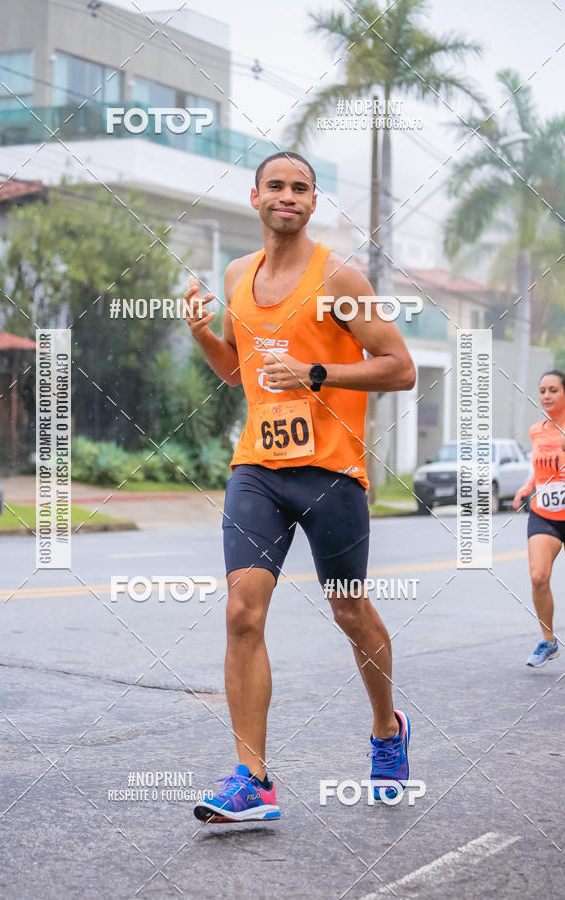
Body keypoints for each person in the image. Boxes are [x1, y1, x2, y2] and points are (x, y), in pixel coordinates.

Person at [184, 151, 416, 823]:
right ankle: (252, 779)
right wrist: (202, 330)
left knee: (348, 609)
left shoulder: (337, 277)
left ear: (313, 202)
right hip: (257, 465)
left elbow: (398, 367)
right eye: (276, 186)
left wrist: (317, 374)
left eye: (301, 188)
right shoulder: (236, 275)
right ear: (254, 196)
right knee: (241, 611)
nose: (287, 196)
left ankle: (385, 730)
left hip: (331, 470)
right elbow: (235, 372)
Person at [513, 370, 565, 667]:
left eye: (553, 390)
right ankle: (549, 641)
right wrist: (527, 485)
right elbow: (539, 468)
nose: (546, 395)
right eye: (542, 390)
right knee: (538, 576)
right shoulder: (537, 430)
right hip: (545, 513)